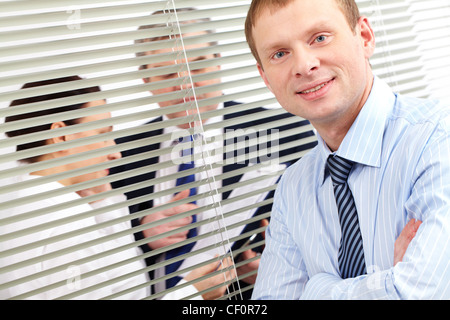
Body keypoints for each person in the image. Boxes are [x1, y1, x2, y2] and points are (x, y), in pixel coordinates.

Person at [245, 0, 450, 299]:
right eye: (280, 54)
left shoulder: (437, 139)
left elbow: (416, 293)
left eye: (320, 38)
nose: (304, 65)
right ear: (266, 78)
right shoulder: (292, 188)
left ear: (364, 37)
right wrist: (384, 284)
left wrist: (315, 289)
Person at [110, 8, 317, 298]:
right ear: (147, 82)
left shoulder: (284, 131)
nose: (187, 83)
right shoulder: (120, 153)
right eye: (169, 73)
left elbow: (328, 231)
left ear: (218, 62)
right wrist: (143, 234)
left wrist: (281, 271)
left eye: (198, 66)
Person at [0, 76, 234, 300]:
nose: (115, 152)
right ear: (61, 136)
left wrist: (103, 199)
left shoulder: (21, 208)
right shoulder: (68, 227)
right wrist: (191, 293)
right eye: (103, 134)